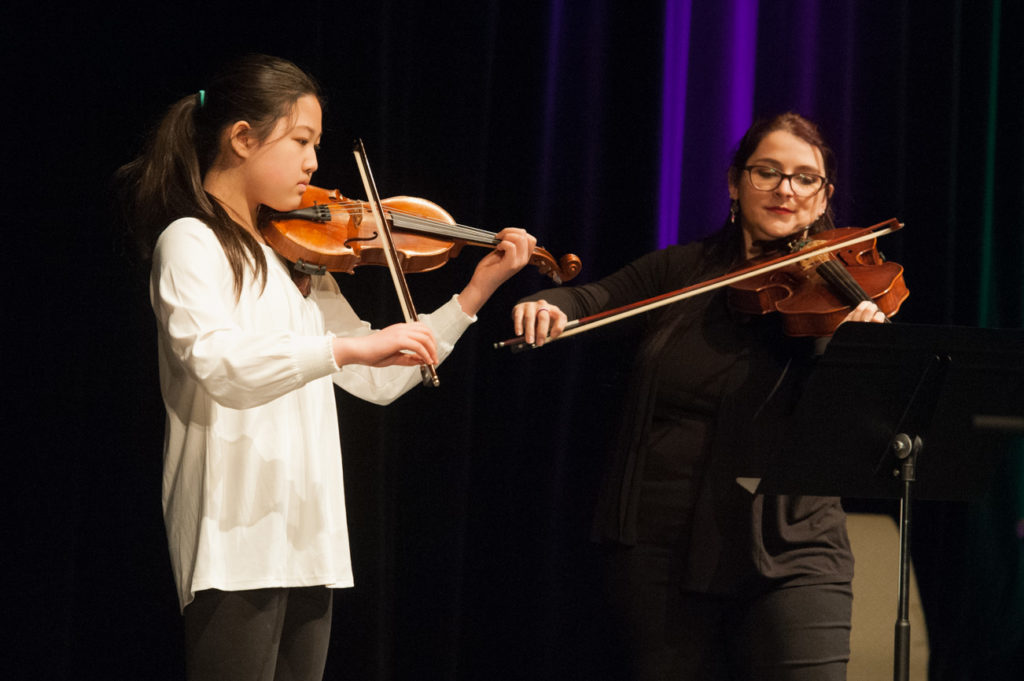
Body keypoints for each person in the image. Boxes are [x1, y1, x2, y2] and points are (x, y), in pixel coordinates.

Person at [117, 54, 537, 681]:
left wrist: (475, 292)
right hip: (233, 537)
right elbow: (217, 362)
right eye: (301, 141)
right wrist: (344, 349)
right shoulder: (192, 241)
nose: (314, 162)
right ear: (242, 138)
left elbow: (378, 376)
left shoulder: (300, 261)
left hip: (310, 536)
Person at [511, 112, 887, 680]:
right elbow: (593, 299)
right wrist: (548, 307)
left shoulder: (841, 292)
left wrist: (859, 353)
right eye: (768, 172)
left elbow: (858, 429)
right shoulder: (682, 269)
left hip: (794, 544)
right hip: (661, 544)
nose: (786, 189)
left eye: (805, 178)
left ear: (824, 197)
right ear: (735, 183)